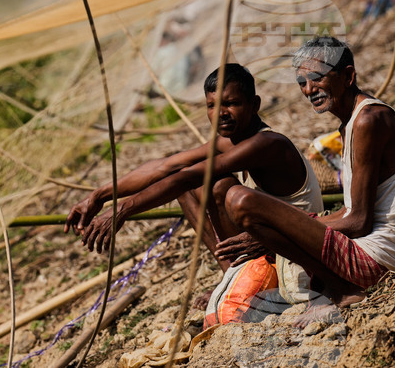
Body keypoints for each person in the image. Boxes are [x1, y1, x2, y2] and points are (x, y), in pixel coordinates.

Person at [215, 37, 395, 307]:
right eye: (302, 83)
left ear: (347, 76)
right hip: (369, 252)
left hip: (376, 261)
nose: (310, 89)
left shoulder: (369, 120)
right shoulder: (351, 124)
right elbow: (351, 213)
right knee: (240, 201)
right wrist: (285, 227)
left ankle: (338, 289)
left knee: (242, 200)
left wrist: (277, 235)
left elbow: (358, 221)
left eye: (317, 78)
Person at [66, 63, 323, 274]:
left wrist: (122, 210)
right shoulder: (227, 142)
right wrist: (99, 195)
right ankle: (233, 274)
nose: (220, 113)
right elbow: (165, 166)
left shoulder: (267, 143)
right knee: (189, 187)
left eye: (231, 103)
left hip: (298, 253)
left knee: (216, 183)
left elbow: (187, 177)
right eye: (212, 106)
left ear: (254, 104)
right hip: (263, 243)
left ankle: (244, 277)